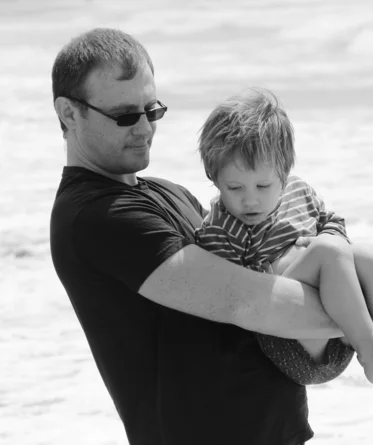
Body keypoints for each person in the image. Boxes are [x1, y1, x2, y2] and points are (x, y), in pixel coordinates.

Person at [50, 28, 354, 445]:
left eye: (151, 110)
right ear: (69, 113)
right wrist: (364, 320)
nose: (143, 128)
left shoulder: (168, 192)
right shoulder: (98, 216)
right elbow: (249, 301)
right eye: (124, 115)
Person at [195, 88, 373, 387]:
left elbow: (331, 222)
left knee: (368, 255)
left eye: (263, 186)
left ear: (284, 172)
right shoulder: (219, 228)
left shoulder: (298, 191)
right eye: (234, 188)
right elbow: (224, 293)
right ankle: (372, 352)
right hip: (293, 341)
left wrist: (326, 243)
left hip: (340, 334)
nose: (250, 201)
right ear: (214, 179)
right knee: (328, 250)